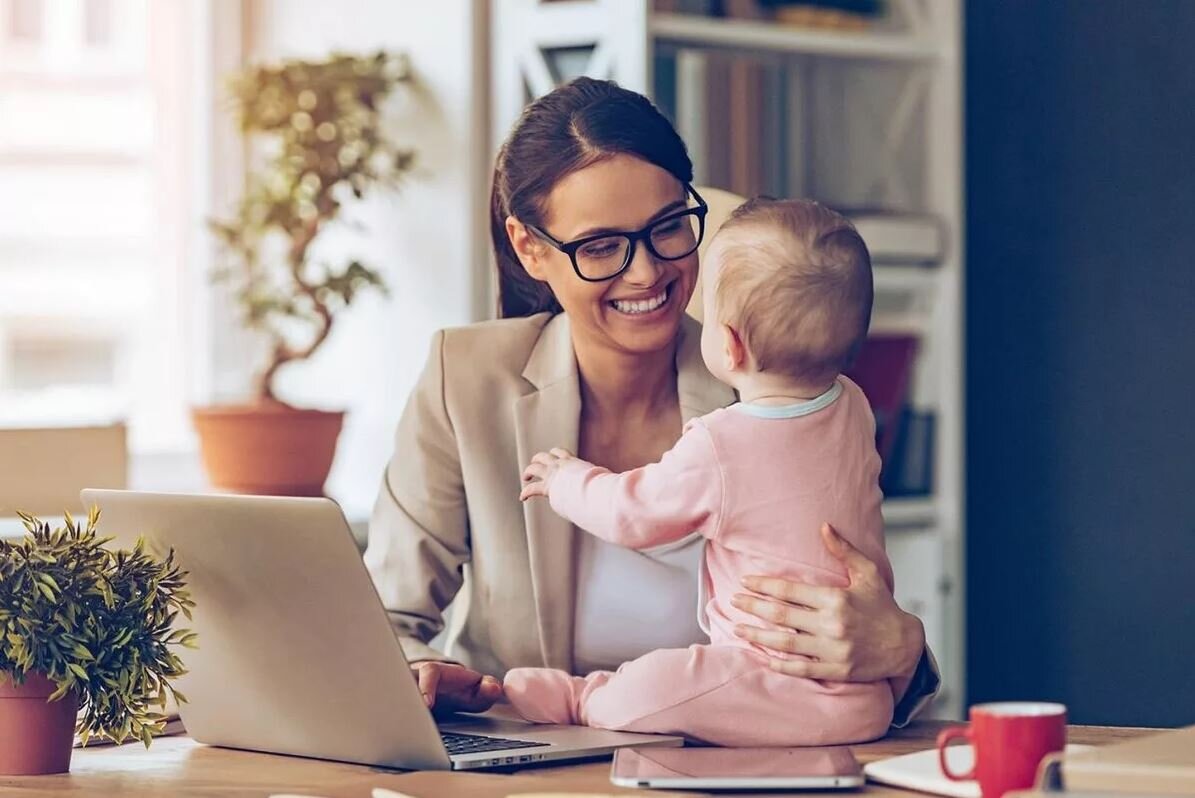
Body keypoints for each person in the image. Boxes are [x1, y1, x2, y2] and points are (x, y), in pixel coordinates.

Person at [364, 77, 939, 727]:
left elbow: (854, 605)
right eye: (601, 246)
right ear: (530, 248)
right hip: (533, 765)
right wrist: (422, 673)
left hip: (737, 766)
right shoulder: (465, 379)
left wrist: (900, 648)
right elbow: (384, 620)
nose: (646, 273)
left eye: (668, 228)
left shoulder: (778, 385)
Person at [503, 198, 894, 746]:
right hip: (864, 697)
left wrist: (564, 479)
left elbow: (632, 514)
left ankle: (583, 697)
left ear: (728, 345)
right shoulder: (853, 407)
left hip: (766, 674)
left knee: (660, 681)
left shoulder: (721, 442)